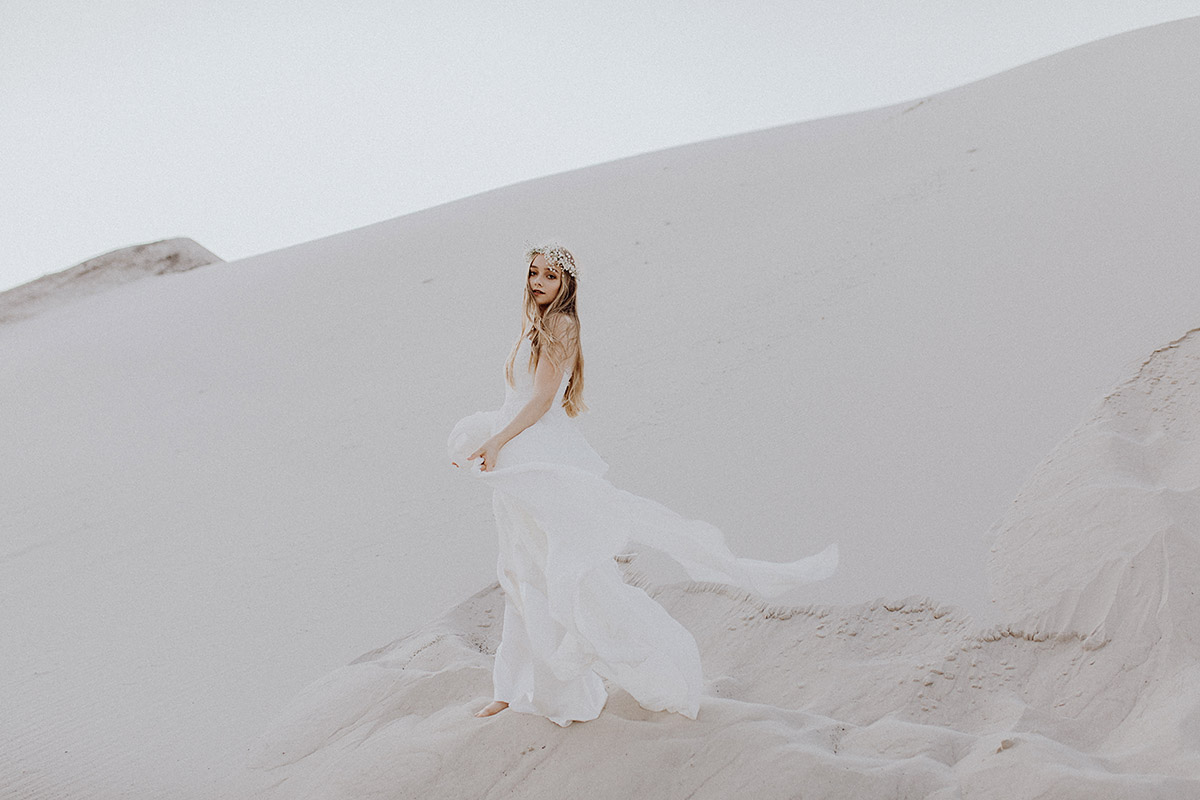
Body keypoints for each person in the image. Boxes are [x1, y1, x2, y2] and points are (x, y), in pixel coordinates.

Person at [448, 243, 837, 727]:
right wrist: (486, 440)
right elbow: (516, 398)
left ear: (566, 283)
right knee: (520, 571)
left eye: (549, 275)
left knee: (552, 575)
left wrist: (498, 440)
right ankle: (511, 689)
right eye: (533, 273)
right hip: (518, 456)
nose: (538, 282)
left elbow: (543, 401)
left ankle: (592, 678)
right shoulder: (534, 327)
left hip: (536, 456)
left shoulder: (562, 326)